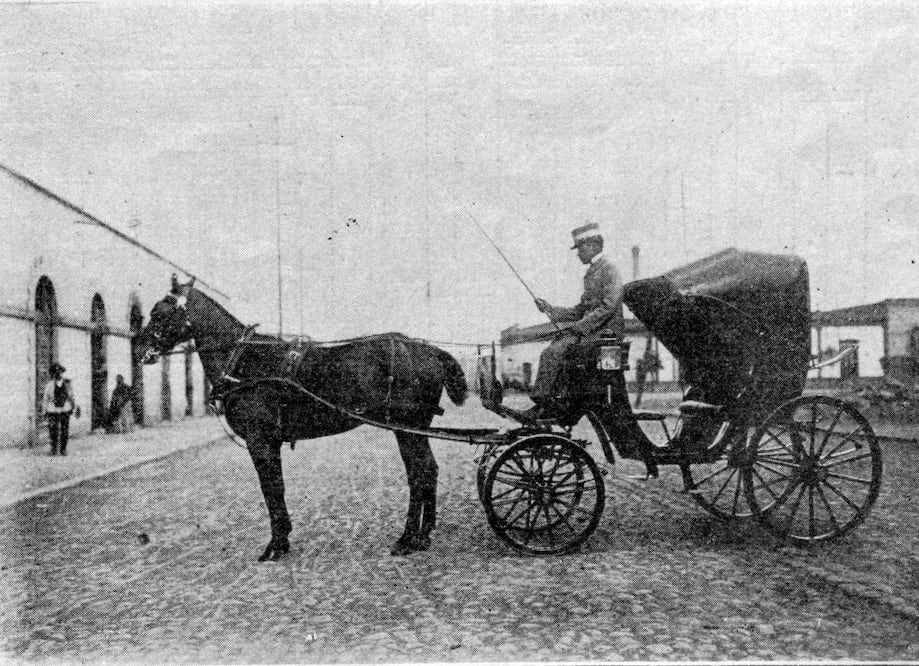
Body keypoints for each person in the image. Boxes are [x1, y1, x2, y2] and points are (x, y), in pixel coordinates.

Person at [523, 222, 625, 421]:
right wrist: (550, 309)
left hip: (605, 335)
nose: (578, 254)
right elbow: (580, 310)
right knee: (556, 348)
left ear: (592, 245)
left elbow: (609, 306)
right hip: (594, 332)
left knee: (553, 352)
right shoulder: (595, 271)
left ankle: (545, 405)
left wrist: (580, 328)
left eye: (580, 248)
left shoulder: (609, 269)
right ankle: (548, 405)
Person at [42, 362, 76, 456]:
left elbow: (71, 396)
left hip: (65, 409)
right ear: (53, 374)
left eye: (60, 372)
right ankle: (54, 449)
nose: (58, 374)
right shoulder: (49, 385)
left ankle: (63, 449)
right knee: (53, 430)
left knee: (65, 431)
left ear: (62, 373)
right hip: (53, 410)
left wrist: (74, 406)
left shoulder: (67, 384)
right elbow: (45, 399)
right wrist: (44, 411)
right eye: (56, 372)